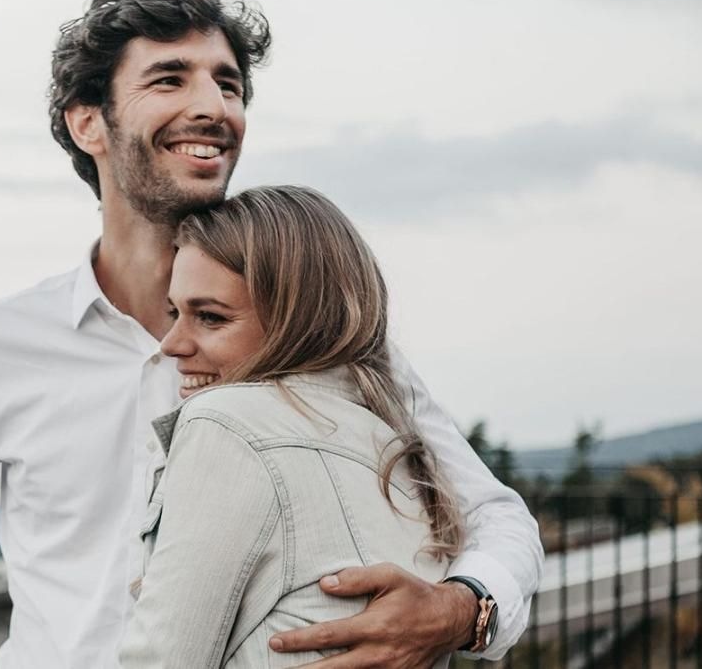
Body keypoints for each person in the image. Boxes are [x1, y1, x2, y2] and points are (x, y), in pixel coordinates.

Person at [0, 0, 542, 667]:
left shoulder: (317, 330)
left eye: (229, 84)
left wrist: (461, 608)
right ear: (87, 120)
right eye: (170, 79)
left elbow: (497, 516)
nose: (213, 107)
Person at [121, 185, 479, 667]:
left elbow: (160, 660)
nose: (171, 344)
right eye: (175, 312)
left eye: (209, 317)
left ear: (297, 319)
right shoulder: (397, 449)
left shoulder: (227, 424)